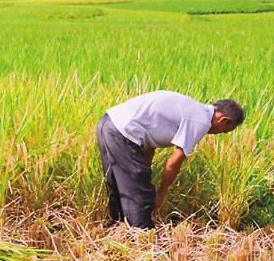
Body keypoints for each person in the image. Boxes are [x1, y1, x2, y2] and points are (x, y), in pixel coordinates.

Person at [97, 92, 245, 229]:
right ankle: (141, 239)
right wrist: (161, 192)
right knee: (140, 197)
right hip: (122, 132)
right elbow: (173, 162)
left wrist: (142, 175)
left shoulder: (192, 109)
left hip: (108, 122)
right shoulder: (201, 121)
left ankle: (117, 229)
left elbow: (149, 145)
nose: (218, 133)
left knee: (117, 184)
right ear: (224, 121)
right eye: (223, 131)